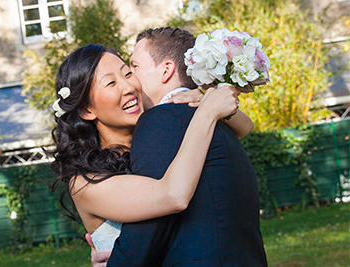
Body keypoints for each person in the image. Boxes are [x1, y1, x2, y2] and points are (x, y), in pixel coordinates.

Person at [49, 43, 253, 259]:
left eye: (128, 73)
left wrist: (204, 101)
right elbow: (173, 196)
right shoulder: (85, 182)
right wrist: (207, 114)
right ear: (86, 110)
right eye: (111, 83)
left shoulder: (154, 140)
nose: (128, 87)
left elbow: (244, 127)